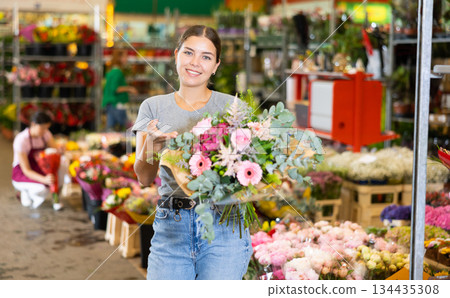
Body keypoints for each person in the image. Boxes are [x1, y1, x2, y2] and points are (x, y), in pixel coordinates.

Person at [132, 25, 252, 280]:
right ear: (176, 55)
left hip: (224, 226)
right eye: (188, 53)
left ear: (216, 65)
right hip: (171, 227)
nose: (195, 63)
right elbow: (143, 177)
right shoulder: (152, 108)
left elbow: (250, 174)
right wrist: (151, 147)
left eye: (206, 57)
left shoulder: (234, 108)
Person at [12, 111, 64, 211]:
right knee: (41, 189)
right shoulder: (21, 140)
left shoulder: (45, 134)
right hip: (23, 171)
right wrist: (44, 180)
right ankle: (25, 192)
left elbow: (55, 149)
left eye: (47, 128)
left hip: (41, 166)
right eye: (43, 128)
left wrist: (60, 150)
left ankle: (56, 197)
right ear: (33, 124)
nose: (45, 131)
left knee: (63, 165)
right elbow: (26, 170)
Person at [102, 48, 138, 131]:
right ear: (119, 58)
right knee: (126, 128)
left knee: (111, 129)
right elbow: (115, 88)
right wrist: (129, 89)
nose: (127, 59)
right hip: (117, 104)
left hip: (111, 103)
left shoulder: (112, 70)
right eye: (125, 56)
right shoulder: (117, 72)